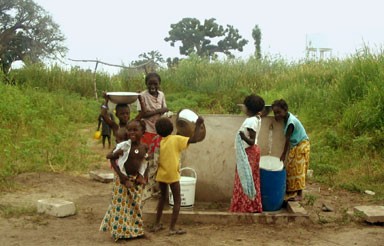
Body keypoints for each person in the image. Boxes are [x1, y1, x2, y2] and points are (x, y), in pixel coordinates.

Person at [151, 116, 204, 236]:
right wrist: (198, 125)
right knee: (177, 201)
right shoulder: (176, 139)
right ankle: (172, 228)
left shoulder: (159, 141)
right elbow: (194, 139)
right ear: (171, 129)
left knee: (162, 198)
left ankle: (157, 224)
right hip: (172, 174)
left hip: (161, 174)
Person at [99, 119, 149, 241]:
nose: (132, 132)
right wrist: (122, 177)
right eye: (129, 130)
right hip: (122, 179)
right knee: (120, 206)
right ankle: (119, 233)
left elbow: (145, 162)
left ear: (143, 132)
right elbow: (110, 157)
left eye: (135, 130)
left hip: (135, 179)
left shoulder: (144, 147)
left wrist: (142, 176)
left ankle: (137, 230)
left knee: (136, 205)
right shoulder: (124, 145)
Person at [136, 72, 169, 199]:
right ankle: (143, 184)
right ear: (146, 84)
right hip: (147, 130)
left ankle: (155, 186)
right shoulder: (142, 96)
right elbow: (142, 114)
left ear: (159, 84)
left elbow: (165, 110)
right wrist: (159, 111)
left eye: (155, 83)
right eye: (150, 84)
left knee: (158, 159)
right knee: (146, 158)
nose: (153, 86)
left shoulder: (161, 95)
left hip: (159, 131)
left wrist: (162, 113)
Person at [230, 94, 265, 213]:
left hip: (248, 152)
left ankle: (243, 207)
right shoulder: (257, 118)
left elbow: (251, 141)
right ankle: (252, 205)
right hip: (253, 152)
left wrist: (243, 136)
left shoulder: (250, 121)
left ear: (249, 108)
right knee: (251, 179)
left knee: (244, 178)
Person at [271, 99, 310, 201]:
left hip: (301, 145)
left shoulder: (291, 122)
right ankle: (292, 191)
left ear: (285, 110)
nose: (276, 115)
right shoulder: (286, 118)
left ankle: (300, 194)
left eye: (278, 112)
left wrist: (283, 154)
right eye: (275, 113)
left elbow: (287, 140)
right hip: (296, 145)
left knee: (299, 169)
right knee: (291, 167)